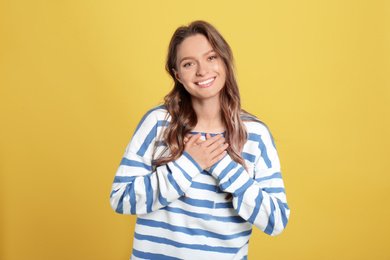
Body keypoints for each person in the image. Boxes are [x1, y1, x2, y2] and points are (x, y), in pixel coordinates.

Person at [110, 20, 290, 260]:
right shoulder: (157, 123)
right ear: (178, 75)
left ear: (225, 62)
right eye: (188, 63)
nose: (202, 71)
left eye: (211, 58)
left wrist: (224, 168)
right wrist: (188, 164)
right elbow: (121, 199)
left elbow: (276, 221)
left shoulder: (255, 135)